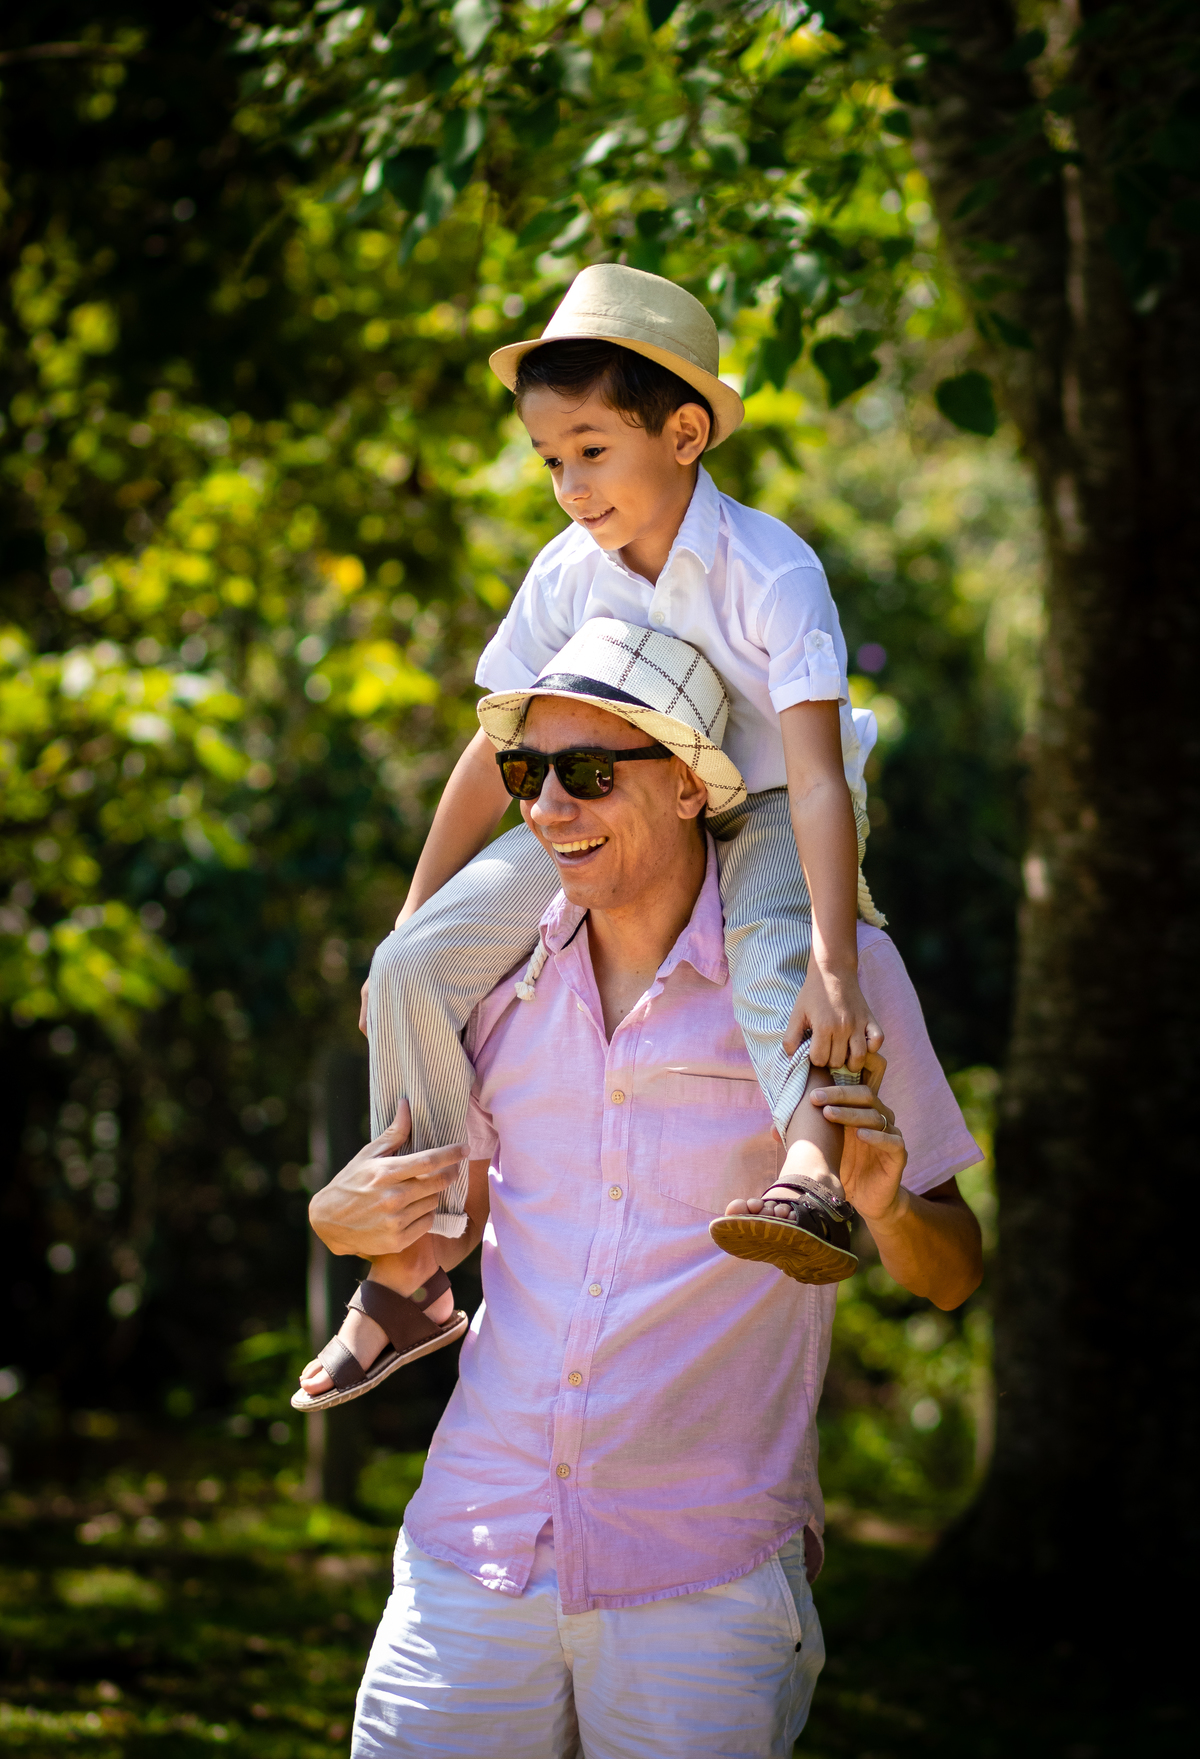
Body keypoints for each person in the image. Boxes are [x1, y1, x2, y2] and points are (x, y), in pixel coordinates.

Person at [301, 637, 984, 1754]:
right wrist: (340, 1220)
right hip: (474, 1543)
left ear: (686, 780)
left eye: (590, 773)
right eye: (529, 774)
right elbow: (454, 1222)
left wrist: (892, 1206)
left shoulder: (833, 976)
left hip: (704, 1580)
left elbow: (957, 1272)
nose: (549, 806)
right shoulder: (492, 979)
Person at [294, 263, 901, 1409]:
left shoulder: (771, 567)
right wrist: (415, 908)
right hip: (605, 788)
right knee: (411, 970)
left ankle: (810, 1174)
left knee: (777, 952)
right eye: (549, 461)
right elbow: (494, 743)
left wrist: (835, 953)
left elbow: (818, 779)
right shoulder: (569, 571)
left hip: (769, 801)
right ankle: (415, 1267)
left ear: (682, 433)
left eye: (590, 449)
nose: (569, 485)